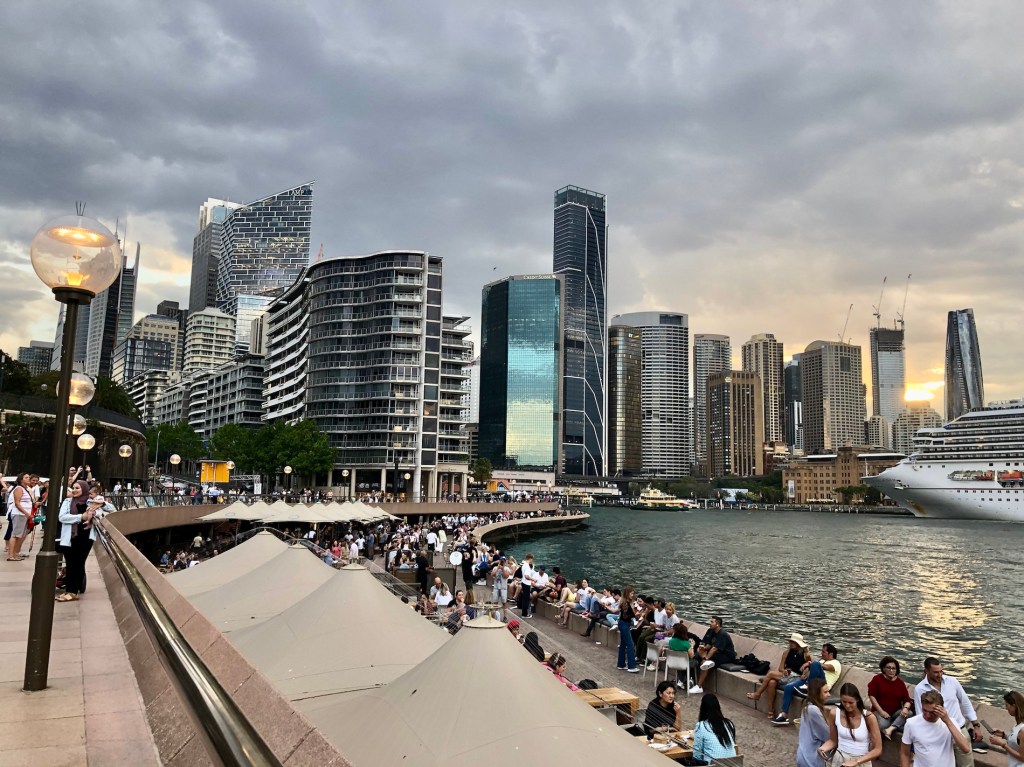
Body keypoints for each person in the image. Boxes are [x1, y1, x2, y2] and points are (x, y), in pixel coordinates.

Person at [914, 657, 985, 767]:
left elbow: (965, 702)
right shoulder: (920, 689)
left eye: (941, 671)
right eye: (935, 672)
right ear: (926, 671)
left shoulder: (952, 681)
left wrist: (976, 725)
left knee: (966, 764)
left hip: (959, 729)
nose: (939, 675)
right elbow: (921, 714)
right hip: (937, 733)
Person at [57, 480, 111, 601]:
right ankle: (69, 591)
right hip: (70, 537)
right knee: (70, 564)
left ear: (84, 489)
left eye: (78, 488)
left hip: (85, 538)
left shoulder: (91, 501)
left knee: (79, 563)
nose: (75, 490)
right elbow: (62, 517)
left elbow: (111, 509)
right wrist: (81, 517)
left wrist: (101, 504)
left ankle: (73, 592)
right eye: (73, 488)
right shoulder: (68, 501)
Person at [773, 643, 843, 726]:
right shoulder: (821, 660)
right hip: (810, 680)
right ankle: (784, 715)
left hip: (822, 685)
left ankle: (807, 686)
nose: (821, 653)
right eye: (821, 651)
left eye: (824, 652)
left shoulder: (836, 663)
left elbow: (827, 667)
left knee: (815, 663)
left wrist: (810, 663)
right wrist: (805, 674)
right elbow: (812, 671)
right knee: (788, 687)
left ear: (830, 654)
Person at [901, 689, 972, 767]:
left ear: (941, 708)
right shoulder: (911, 723)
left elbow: (966, 748)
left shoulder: (951, 722)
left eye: (932, 712)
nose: (928, 715)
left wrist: (947, 721)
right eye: (924, 710)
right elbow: (905, 753)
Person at [748, 632, 811, 718]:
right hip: (787, 676)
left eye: (793, 642)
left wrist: (804, 673)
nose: (791, 643)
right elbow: (780, 668)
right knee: (772, 682)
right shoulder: (786, 653)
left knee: (770, 674)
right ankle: (771, 711)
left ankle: (758, 693)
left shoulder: (805, 655)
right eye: (791, 642)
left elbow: (809, 668)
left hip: (797, 678)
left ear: (798, 644)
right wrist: (784, 671)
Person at [819, 682, 883, 767]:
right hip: (840, 758)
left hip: (861, 760)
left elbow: (878, 749)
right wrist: (823, 748)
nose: (847, 706)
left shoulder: (868, 717)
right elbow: (833, 740)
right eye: (844, 702)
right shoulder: (834, 713)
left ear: (857, 700)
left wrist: (856, 761)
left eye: (851, 702)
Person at [867, 656, 912, 740]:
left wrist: (905, 708)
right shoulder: (877, 679)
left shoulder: (900, 683)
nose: (891, 671)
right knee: (883, 725)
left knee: (909, 713)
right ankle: (896, 725)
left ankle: (890, 729)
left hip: (895, 713)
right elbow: (872, 696)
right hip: (880, 711)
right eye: (888, 668)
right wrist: (881, 712)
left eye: (893, 668)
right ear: (884, 669)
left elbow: (907, 700)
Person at [690, 615, 736, 694]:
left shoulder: (722, 634)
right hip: (715, 653)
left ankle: (699, 686)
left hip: (725, 655)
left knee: (705, 663)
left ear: (717, 624)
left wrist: (706, 658)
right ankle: (689, 679)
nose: (710, 623)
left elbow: (714, 648)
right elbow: (708, 645)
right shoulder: (710, 631)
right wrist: (702, 649)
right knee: (695, 656)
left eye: (712, 622)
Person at [797, 678, 834, 767]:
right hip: (811, 759)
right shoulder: (813, 710)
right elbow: (827, 735)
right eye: (825, 692)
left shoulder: (807, 707)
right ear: (817, 693)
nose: (829, 695)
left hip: (804, 755)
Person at [692, 693, 738, 764]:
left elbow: (697, 754)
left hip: (713, 764)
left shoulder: (701, 726)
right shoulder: (729, 724)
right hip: (733, 764)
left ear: (703, 708)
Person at [988, 690, 1024, 767]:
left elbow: (1022, 758)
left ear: (1014, 706)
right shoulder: (1018, 725)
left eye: (1007, 705)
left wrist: (1003, 744)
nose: (1006, 708)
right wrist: (1003, 735)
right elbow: (1017, 743)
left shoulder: (1022, 729)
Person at [6, 473, 34, 561]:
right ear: (21, 480)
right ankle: (11, 555)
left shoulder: (25, 489)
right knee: (15, 535)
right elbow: (17, 503)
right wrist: (26, 513)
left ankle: (15, 554)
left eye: (29, 477)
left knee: (19, 535)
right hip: (19, 514)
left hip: (23, 514)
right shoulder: (19, 488)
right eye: (26, 477)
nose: (28, 479)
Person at [616, 585, 640, 672]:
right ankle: (631, 666)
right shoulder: (625, 603)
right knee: (630, 644)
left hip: (623, 623)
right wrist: (635, 614)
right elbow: (626, 616)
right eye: (631, 593)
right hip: (625, 624)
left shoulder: (624, 602)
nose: (632, 595)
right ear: (627, 593)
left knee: (623, 644)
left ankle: (621, 664)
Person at [667, 622, 695, 687]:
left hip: (674, 662)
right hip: (684, 664)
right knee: (695, 661)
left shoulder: (671, 641)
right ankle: (690, 679)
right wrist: (692, 646)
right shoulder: (686, 644)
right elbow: (691, 656)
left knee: (683, 661)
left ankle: (681, 680)